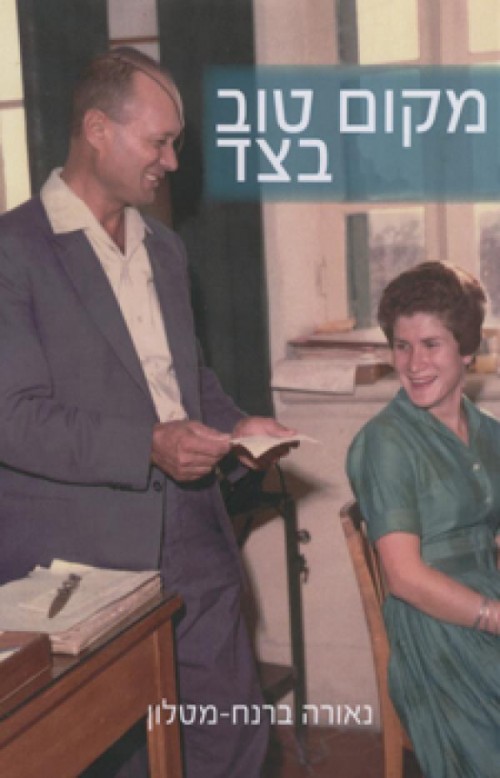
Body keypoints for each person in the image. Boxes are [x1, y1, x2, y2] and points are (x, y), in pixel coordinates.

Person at [0, 46, 295, 777]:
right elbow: (13, 417)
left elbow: (183, 376)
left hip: (196, 532)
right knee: (127, 759)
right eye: (159, 142)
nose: (172, 161)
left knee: (233, 740)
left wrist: (236, 426)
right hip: (84, 557)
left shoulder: (164, 248)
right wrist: (148, 445)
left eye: (176, 143)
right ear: (98, 130)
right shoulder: (12, 252)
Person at [346, 261, 500, 778]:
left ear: (466, 348)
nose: (414, 364)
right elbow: (406, 579)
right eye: (402, 346)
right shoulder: (386, 441)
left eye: (431, 344)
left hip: (485, 603)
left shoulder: (489, 433)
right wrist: (495, 617)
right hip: (434, 634)